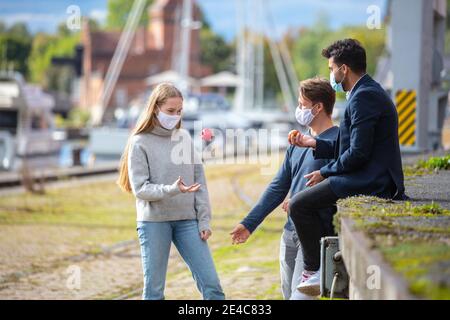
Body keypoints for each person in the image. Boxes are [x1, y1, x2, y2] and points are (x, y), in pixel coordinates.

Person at [289, 39, 407, 296]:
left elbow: (358, 154)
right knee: (313, 205)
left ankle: (315, 269)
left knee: (299, 205)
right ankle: (324, 264)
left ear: (344, 69)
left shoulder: (364, 98)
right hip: (367, 173)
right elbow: (349, 147)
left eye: (332, 69)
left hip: (372, 179)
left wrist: (325, 172)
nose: (331, 74)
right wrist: (314, 144)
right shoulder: (364, 93)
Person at [230, 77, 339, 300]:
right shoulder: (297, 144)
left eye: (301, 105)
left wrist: (301, 198)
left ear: (318, 107)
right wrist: (249, 223)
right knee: (287, 294)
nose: (298, 110)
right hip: (288, 233)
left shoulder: (339, 142)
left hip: (314, 236)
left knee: (300, 298)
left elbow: (338, 185)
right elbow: (278, 187)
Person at [117, 83, 225, 300]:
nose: (175, 116)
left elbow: (199, 181)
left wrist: (204, 220)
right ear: (155, 108)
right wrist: (173, 189)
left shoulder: (184, 137)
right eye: (170, 111)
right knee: (154, 292)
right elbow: (140, 189)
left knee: (212, 287)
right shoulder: (139, 142)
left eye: (179, 111)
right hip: (154, 222)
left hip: (188, 221)